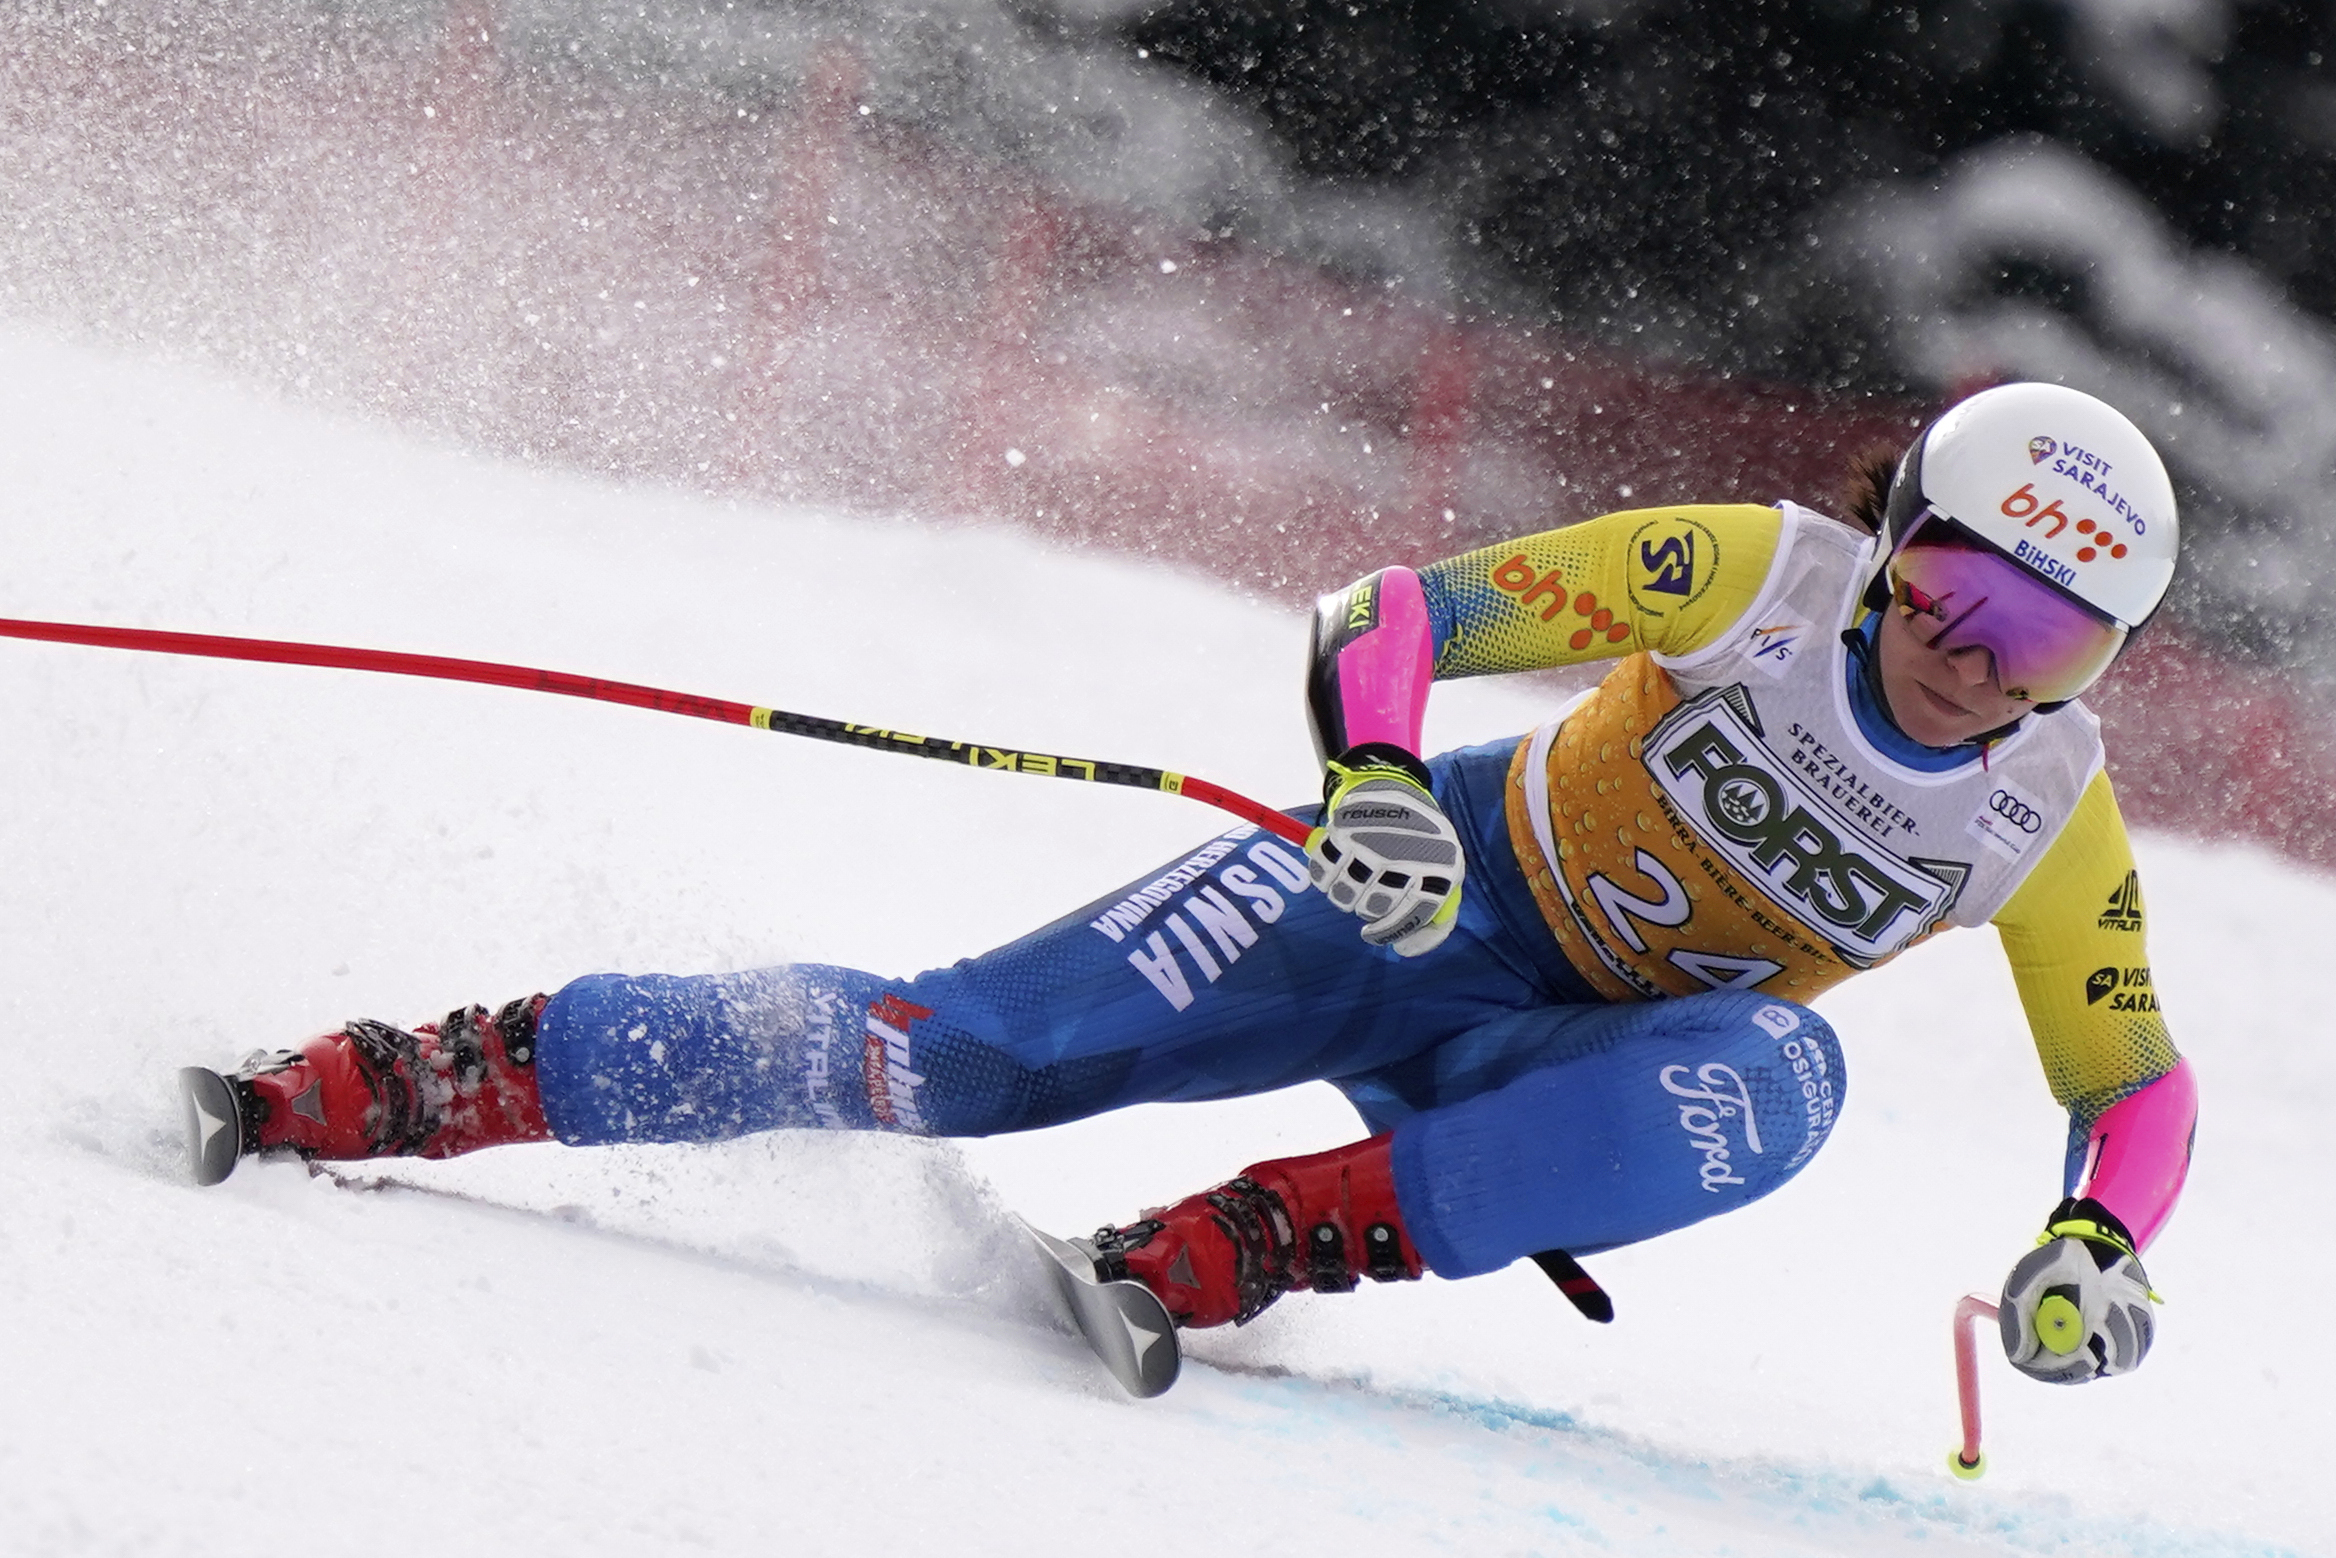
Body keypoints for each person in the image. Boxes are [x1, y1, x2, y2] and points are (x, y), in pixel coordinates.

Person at [185, 381, 2191, 1385]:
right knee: (953, 1053)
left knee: (1780, 1083)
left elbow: (2136, 1083)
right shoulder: (1753, 575)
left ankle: (1244, 1240)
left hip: (1559, 1060)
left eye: (2053, 640)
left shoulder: (2043, 812)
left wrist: (2099, 1234)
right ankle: (429, 1072)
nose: (1979, 655)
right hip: (1414, 899)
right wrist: (1383, 772)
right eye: (1954, 584)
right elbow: (1394, 612)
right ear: (1890, 530)